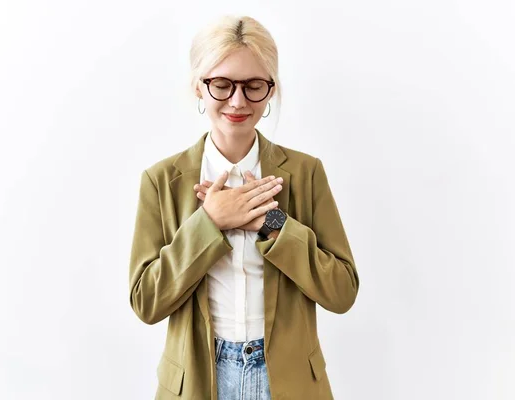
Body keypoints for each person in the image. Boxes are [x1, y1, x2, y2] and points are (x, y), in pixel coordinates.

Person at [128, 15, 360, 399]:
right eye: (221, 85)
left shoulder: (305, 173)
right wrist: (210, 223)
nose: (237, 101)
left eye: (254, 86)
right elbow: (146, 302)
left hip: (287, 380)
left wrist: (273, 223)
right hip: (200, 380)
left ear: (271, 90)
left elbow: (342, 291)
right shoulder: (161, 181)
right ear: (199, 88)